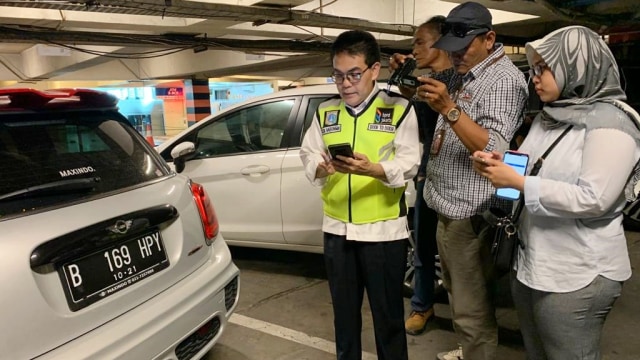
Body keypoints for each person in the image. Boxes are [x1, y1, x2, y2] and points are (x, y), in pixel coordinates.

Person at [471, 25, 640, 360]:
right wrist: (500, 162)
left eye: (544, 68)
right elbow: (532, 163)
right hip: (533, 263)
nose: (536, 77)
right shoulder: (551, 116)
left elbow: (593, 199)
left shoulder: (611, 124)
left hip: (577, 272)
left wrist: (518, 182)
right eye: (533, 69)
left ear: (577, 65)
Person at [414, 2, 529, 359]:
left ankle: (477, 352)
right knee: (456, 291)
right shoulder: (464, 71)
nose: (457, 56)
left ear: (489, 38)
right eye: (452, 49)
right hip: (445, 201)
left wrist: (448, 108)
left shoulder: (505, 81)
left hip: (471, 209)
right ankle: (468, 349)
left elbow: (493, 147)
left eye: (463, 48)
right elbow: (427, 90)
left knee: (472, 304)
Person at [299, 29, 420, 360]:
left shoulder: (399, 109)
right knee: (344, 319)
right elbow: (308, 153)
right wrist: (321, 168)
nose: (345, 83)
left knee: (388, 319)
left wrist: (374, 169)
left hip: (383, 232)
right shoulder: (326, 112)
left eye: (354, 74)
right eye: (338, 75)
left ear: (374, 70)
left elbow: (410, 163)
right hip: (337, 231)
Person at [389, 15, 454, 336]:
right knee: (424, 247)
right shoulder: (425, 83)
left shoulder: (459, 81)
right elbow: (411, 99)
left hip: (462, 179)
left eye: (419, 41)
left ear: (440, 43)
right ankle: (421, 305)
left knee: (463, 253)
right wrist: (404, 76)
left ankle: (468, 314)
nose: (413, 48)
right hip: (428, 176)